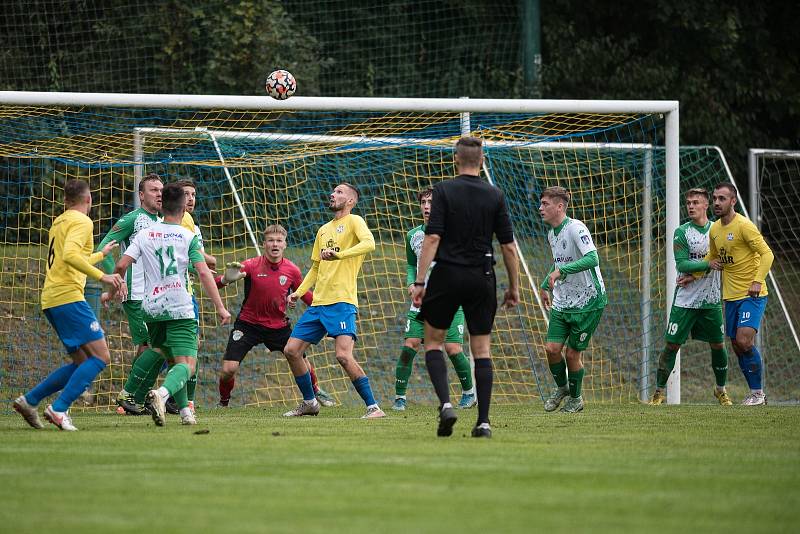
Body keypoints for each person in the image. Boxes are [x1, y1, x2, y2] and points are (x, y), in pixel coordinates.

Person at [411, 136, 519, 438]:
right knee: (481, 350)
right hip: (482, 276)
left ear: (456, 160)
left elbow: (432, 239)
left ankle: (446, 405)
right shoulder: (495, 195)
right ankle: (483, 422)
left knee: (433, 343)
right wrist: (514, 287)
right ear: (482, 161)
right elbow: (508, 247)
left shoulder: (443, 190)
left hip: (447, 274)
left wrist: (420, 282)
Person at [108, 182, 231, 426]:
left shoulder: (144, 234)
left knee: (165, 353)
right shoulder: (187, 236)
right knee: (188, 364)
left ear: (162, 205)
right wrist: (220, 306)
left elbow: (121, 265)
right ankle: (161, 395)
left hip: (152, 307)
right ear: (183, 208)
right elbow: (204, 273)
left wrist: (114, 288)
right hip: (180, 307)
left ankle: (184, 411)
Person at [13, 179, 126, 431]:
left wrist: (100, 255)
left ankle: (29, 400)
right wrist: (103, 275)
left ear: (66, 200)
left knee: (81, 360)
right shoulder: (83, 221)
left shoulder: (60, 221)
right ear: (89, 199)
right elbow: (70, 256)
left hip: (52, 298)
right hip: (68, 297)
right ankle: (59, 409)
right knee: (101, 356)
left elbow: (71, 256)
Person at [283, 183, 385, 418]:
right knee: (291, 350)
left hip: (342, 301)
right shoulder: (323, 230)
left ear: (350, 201)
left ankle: (373, 407)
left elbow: (369, 244)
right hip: (318, 303)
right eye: (333, 191)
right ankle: (310, 402)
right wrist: (298, 292)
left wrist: (340, 254)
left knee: (343, 356)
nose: (333, 194)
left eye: (340, 192)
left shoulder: (354, 221)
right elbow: (316, 268)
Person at [215, 224, 336, 407]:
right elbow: (216, 284)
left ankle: (316, 390)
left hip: (278, 327)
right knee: (228, 370)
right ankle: (223, 402)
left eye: (279, 241)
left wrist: (327, 312)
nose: (275, 244)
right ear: (264, 244)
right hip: (248, 325)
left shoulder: (292, 270)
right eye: (271, 240)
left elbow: (306, 295)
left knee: (299, 357)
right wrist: (224, 279)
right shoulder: (251, 265)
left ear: (285, 244)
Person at [393, 187, 476, 411]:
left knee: (452, 349)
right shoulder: (413, 235)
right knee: (409, 346)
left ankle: (469, 393)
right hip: (421, 302)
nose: (427, 206)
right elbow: (412, 264)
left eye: (431, 202)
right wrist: (412, 283)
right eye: (423, 202)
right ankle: (399, 398)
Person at [650, 188, 731, 405]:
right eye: (688, 203)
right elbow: (682, 264)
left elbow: (723, 261)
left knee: (718, 345)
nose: (691, 206)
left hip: (711, 300)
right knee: (671, 346)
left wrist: (698, 273)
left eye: (696, 202)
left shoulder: (718, 230)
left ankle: (721, 390)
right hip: (685, 301)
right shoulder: (681, 232)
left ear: (706, 205)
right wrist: (707, 265)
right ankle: (658, 393)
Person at [697, 182, 773, 405]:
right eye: (715, 198)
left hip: (752, 294)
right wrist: (693, 274)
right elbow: (711, 258)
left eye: (722, 198)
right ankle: (755, 393)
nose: (717, 203)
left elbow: (767, 254)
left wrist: (758, 281)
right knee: (737, 346)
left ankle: (758, 394)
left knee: (744, 341)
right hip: (730, 297)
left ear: (733, 201)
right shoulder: (715, 229)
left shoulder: (744, 226)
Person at [96, 173, 163, 415]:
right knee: (150, 344)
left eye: (161, 190)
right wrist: (116, 279)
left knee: (153, 345)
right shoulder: (132, 219)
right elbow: (103, 248)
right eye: (153, 190)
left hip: (158, 295)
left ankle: (136, 397)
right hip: (135, 294)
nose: (159, 194)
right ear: (141, 195)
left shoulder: (164, 221)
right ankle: (132, 396)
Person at [538, 186, 607, 414]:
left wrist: (561, 271)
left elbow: (592, 258)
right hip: (564, 299)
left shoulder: (576, 228)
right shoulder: (551, 233)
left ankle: (576, 400)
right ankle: (562, 388)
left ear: (559, 206)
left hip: (588, 300)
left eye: (545, 204)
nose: (540, 208)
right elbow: (559, 263)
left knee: (571, 354)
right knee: (551, 348)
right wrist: (546, 283)